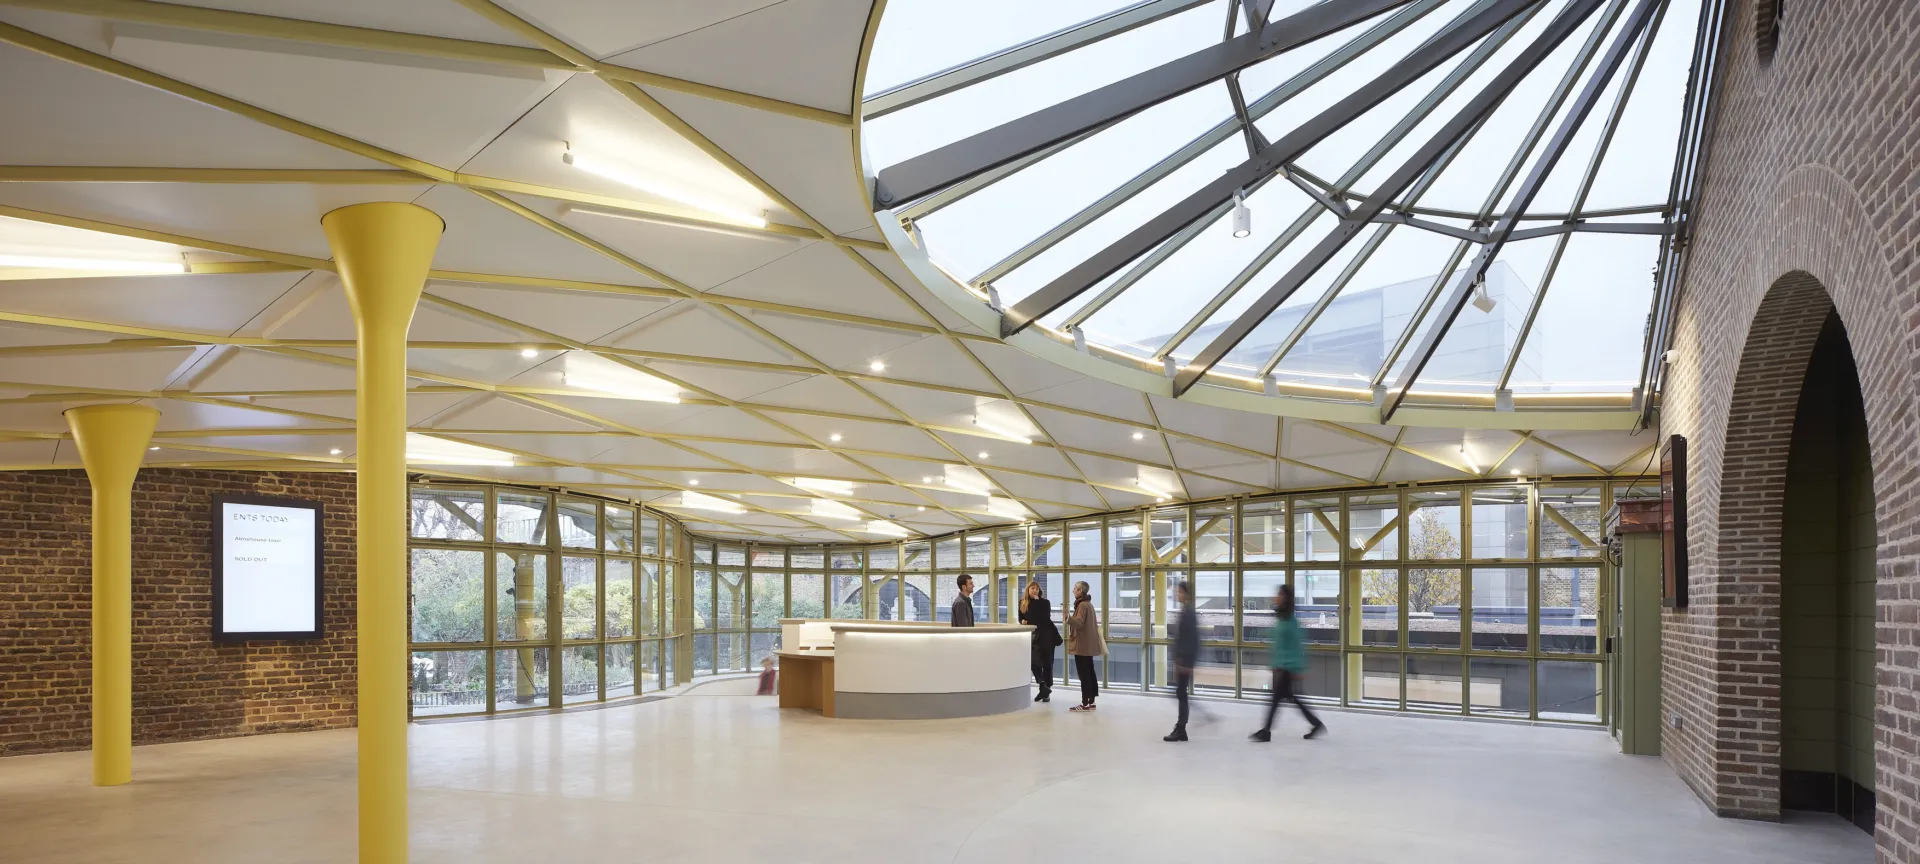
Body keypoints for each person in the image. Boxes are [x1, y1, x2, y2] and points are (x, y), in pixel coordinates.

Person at [1251, 583, 1326, 741]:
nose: (1276, 597)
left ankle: (1266, 731)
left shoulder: (1291, 621)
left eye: (1279, 594)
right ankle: (1316, 723)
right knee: (1288, 698)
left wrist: (1299, 668)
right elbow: (1278, 643)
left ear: (1286, 598)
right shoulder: (1282, 618)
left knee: (1276, 698)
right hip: (1282, 665)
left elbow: (1298, 644)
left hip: (1288, 666)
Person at [1165, 579, 1200, 742]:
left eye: (1179, 592)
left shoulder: (1189, 613)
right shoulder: (1186, 611)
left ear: (1186, 594)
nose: (1177, 594)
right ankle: (1181, 728)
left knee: (1181, 693)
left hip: (1184, 660)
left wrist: (1186, 662)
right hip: (1183, 659)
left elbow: (1192, 639)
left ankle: (1181, 728)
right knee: (1180, 693)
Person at [1018, 580, 1061, 702]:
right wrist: (1022, 622)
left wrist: (1035, 605)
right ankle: (1043, 685)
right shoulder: (1022, 603)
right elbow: (1021, 617)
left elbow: (1042, 618)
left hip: (1047, 636)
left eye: (1037, 589)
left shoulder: (1045, 603)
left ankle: (1046, 693)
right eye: (1032, 588)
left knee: (1047, 664)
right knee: (1033, 661)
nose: (1035, 591)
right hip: (1034, 637)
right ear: (1028, 590)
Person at [1065, 580, 1104, 711]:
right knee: (1090, 672)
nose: (1073, 591)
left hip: (1081, 645)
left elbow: (1079, 623)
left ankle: (1085, 703)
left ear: (1080, 591)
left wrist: (1067, 618)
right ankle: (1091, 701)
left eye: (1075, 589)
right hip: (1089, 645)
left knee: (1084, 675)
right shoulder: (1089, 604)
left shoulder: (1082, 605)